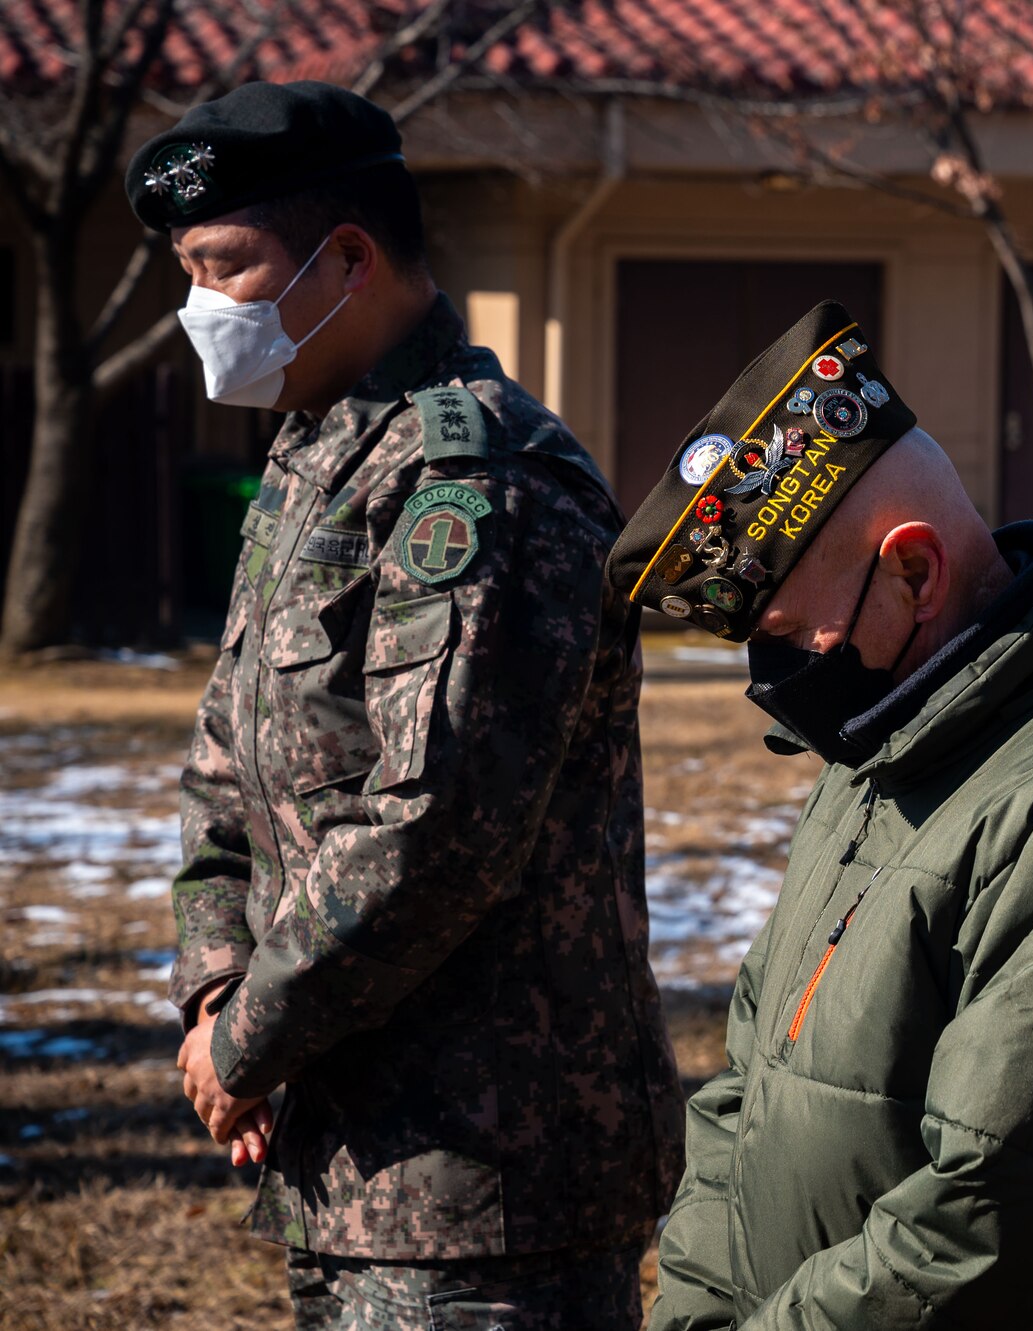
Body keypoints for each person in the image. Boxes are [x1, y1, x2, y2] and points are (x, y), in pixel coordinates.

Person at [128, 81, 683, 1327]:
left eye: (225, 266)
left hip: (488, 1170)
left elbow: (436, 827)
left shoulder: (477, 477)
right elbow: (227, 759)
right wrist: (216, 990)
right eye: (187, 271)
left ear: (348, 258)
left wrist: (249, 1035)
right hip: (348, 1146)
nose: (200, 307)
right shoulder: (316, 452)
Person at [604, 301, 1033, 1330]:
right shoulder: (890, 726)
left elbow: (1001, 1222)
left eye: (787, 637)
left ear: (912, 568)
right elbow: (746, 1087)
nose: (777, 683)